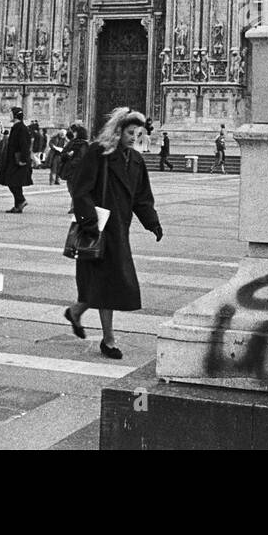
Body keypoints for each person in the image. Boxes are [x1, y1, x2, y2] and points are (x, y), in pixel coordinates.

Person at [63, 108, 164, 359]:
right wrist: (88, 221)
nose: (134, 137)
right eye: (130, 132)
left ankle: (76, 311)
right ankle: (108, 339)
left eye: (138, 133)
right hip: (98, 230)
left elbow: (142, 197)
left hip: (120, 230)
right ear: (118, 131)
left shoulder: (136, 160)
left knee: (112, 282)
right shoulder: (100, 153)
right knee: (109, 282)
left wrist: (152, 222)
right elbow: (80, 188)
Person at [0, 107, 33, 213]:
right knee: (15, 182)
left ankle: (21, 201)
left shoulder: (21, 128)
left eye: (11, 114)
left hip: (18, 161)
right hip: (13, 160)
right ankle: (18, 205)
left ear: (15, 115)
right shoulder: (17, 127)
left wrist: (23, 159)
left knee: (12, 181)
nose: (9, 116)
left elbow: (25, 145)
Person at [58, 123, 89, 214]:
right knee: (70, 188)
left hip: (77, 169)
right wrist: (67, 155)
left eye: (75, 132)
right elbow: (63, 153)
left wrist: (72, 162)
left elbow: (82, 157)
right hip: (69, 168)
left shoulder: (84, 144)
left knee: (75, 188)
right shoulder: (72, 142)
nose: (73, 133)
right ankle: (75, 205)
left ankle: (75, 206)